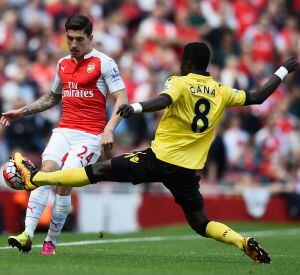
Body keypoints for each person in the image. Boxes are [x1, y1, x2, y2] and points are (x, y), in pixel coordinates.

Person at [13, 42, 298, 263]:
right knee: (201, 223)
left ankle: (36, 179)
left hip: (157, 159)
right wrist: (283, 70)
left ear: (186, 61)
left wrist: (136, 107)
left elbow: (163, 100)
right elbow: (259, 96)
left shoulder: (179, 81)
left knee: (98, 171)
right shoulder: (221, 91)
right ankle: (241, 241)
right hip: (187, 171)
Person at [0, 15, 128, 254]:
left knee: (63, 183)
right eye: (69, 38)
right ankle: (27, 234)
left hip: (90, 135)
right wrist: (22, 111)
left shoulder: (104, 63)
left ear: (91, 37)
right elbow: (52, 97)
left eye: (79, 39)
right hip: (64, 130)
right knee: (44, 173)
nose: (73, 44)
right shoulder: (62, 64)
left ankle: (51, 242)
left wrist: (109, 129)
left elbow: (122, 98)